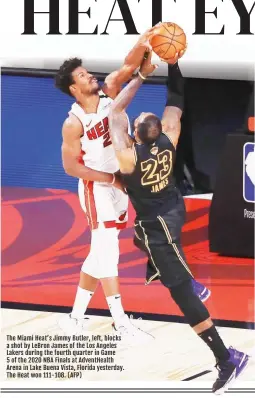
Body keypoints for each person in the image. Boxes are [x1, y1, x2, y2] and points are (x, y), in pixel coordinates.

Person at [107, 52, 250, 394]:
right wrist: (173, 63)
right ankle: (187, 279)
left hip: (159, 226)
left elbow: (115, 113)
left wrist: (140, 76)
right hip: (173, 208)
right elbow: (176, 99)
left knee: (181, 296)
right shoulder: (169, 135)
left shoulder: (128, 157)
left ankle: (227, 357)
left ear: (136, 136)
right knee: (140, 241)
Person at [54, 27, 159, 343]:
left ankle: (74, 319)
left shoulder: (110, 92)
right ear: (74, 88)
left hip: (118, 182)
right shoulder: (73, 123)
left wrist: (145, 45)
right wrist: (110, 179)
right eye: (84, 76)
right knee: (108, 252)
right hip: (96, 186)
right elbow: (72, 166)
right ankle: (120, 322)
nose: (90, 78)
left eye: (88, 73)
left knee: (98, 254)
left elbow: (128, 67)